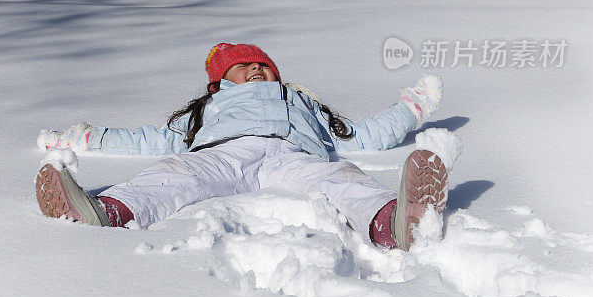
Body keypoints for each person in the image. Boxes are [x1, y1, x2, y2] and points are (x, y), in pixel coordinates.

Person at [35, 43, 456, 250]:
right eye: (244, 65)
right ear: (220, 82)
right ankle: (106, 211)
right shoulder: (209, 109)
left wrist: (411, 107)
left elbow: (365, 136)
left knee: (339, 177)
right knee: (172, 175)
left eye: (263, 65)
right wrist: (84, 138)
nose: (257, 68)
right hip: (221, 156)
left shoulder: (300, 102)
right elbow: (150, 140)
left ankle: (396, 220)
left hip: (291, 156)